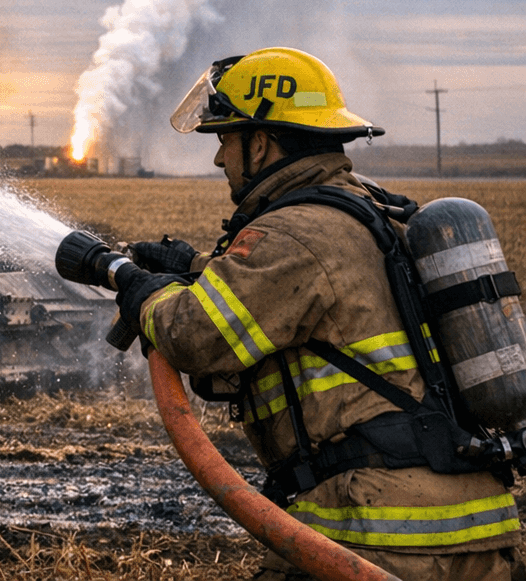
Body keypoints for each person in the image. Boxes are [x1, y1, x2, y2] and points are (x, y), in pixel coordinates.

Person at [120, 47, 520, 581]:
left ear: (260, 143)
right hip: (473, 524)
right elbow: (303, 299)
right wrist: (194, 266)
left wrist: (141, 290)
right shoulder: (370, 209)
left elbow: (193, 336)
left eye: (225, 140)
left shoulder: (293, 233)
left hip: (381, 530)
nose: (220, 160)